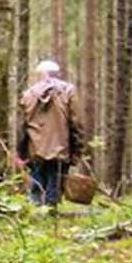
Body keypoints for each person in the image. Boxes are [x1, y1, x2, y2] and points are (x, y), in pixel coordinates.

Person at [16, 60, 85, 206]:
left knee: (36, 190)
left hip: (35, 150)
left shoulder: (28, 94)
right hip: (60, 149)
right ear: (57, 74)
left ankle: (36, 221)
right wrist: (77, 150)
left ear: (40, 75)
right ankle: (51, 220)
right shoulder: (68, 91)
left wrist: (21, 153)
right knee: (54, 191)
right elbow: (76, 123)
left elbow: (22, 127)